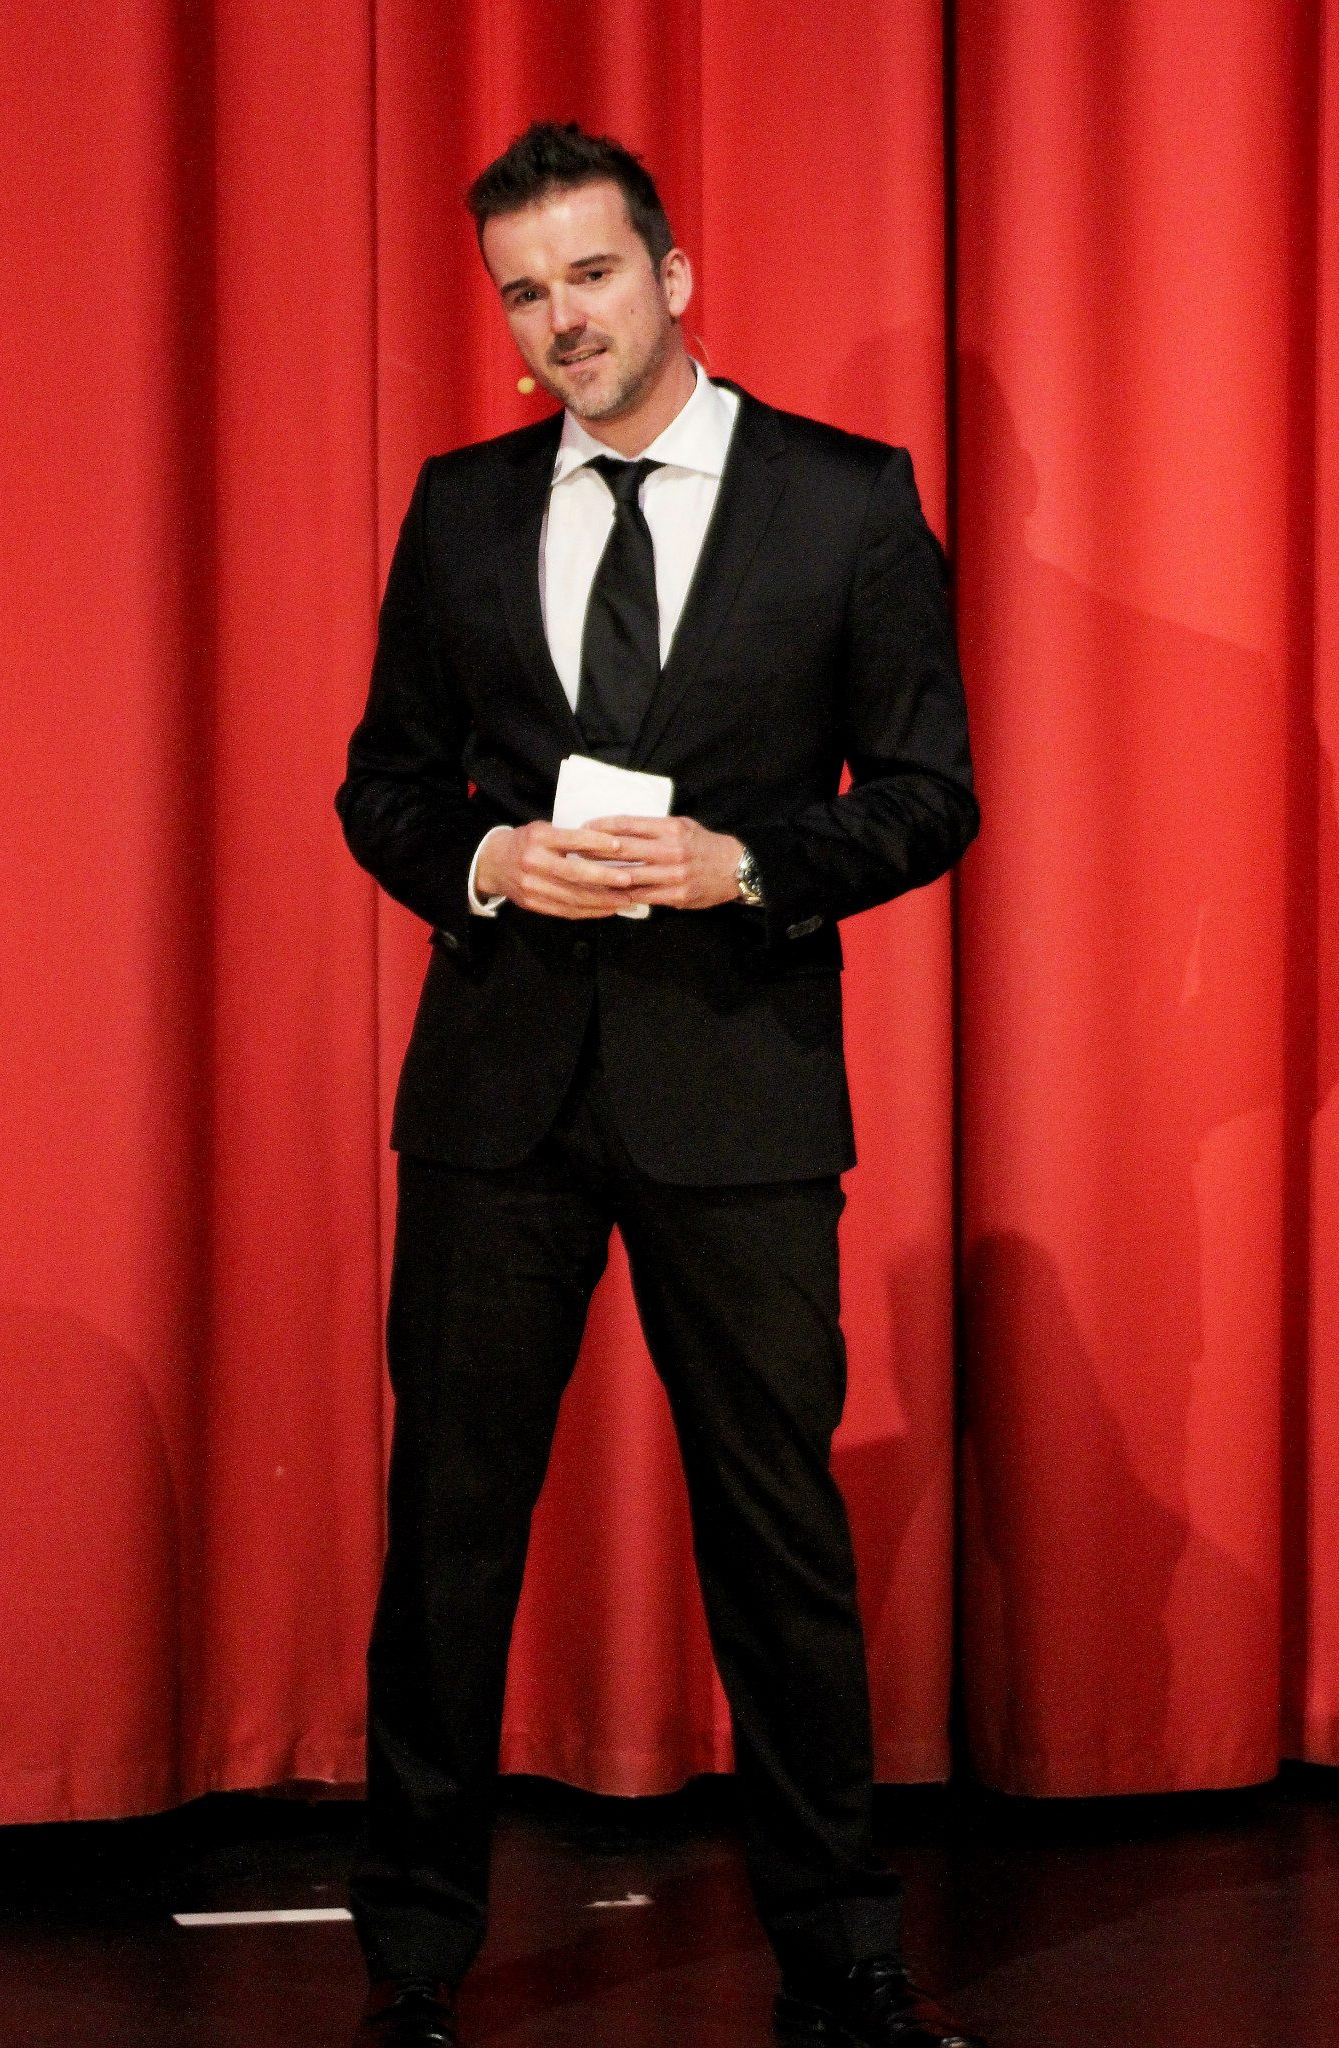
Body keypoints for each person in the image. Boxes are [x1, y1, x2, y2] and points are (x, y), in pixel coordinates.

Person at [334, 120, 983, 2048]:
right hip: (498, 1097)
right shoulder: (459, 506)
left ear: (674, 276)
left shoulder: (849, 501)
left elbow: (932, 795)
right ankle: (412, 1965)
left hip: (739, 1090)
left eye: (594, 275)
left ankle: (844, 1963)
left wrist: (747, 863)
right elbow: (382, 782)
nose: (562, 322)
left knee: (778, 1541)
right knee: (447, 1540)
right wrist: (481, 858)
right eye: (524, 293)